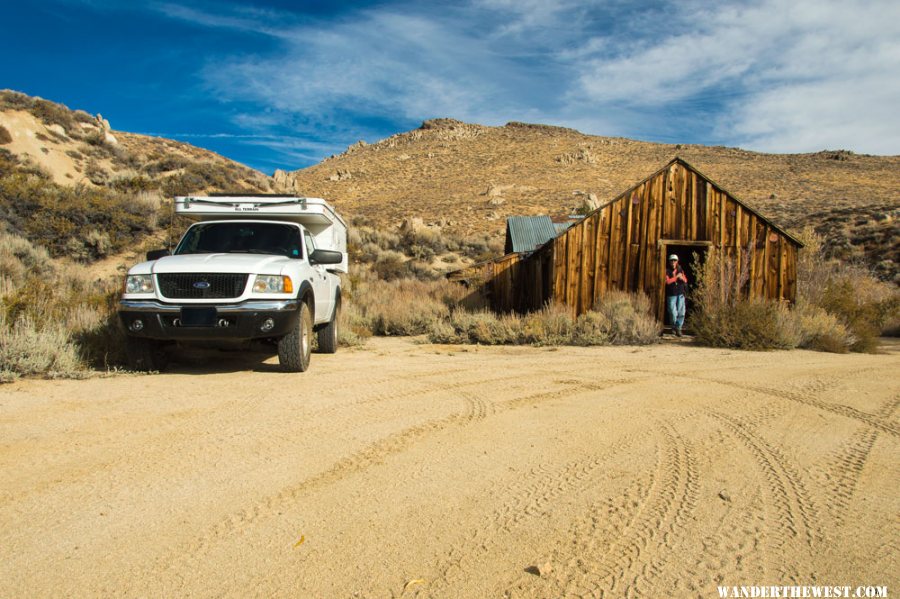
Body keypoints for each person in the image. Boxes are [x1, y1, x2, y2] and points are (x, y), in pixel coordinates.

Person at [665, 254, 688, 336]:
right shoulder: (667, 271)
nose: (673, 262)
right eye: (671, 260)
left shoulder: (680, 270)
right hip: (671, 294)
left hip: (680, 293)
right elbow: (667, 282)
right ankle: (674, 326)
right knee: (672, 312)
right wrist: (676, 277)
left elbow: (685, 280)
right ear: (669, 262)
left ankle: (678, 328)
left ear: (677, 261)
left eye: (675, 260)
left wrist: (682, 278)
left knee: (681, 312)